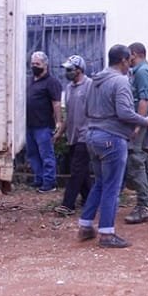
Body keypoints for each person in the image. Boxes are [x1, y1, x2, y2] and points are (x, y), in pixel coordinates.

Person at [77, 44, 148, 249]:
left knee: (100, 183)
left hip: (92, 136)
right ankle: (107, 234)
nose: (130, 65)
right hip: (112, 138)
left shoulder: (95, 80)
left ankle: (85, 226)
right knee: (112, 187)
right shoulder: (120, 81)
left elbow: (86, 108)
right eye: (129, 61)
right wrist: (145, 121)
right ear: (123, 60)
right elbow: (124, 113)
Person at [124, 42, 148, 224]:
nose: (126, 60)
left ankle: (143, 206)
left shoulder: (142, 72)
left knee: (137, 162)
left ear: (134, 54)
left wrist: (137, 125)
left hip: (145, 125)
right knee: (147, 163)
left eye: (128, 56)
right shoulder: (145, 71)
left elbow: (144, 100)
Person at [53, 55, 93, 216]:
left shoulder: (90, 86)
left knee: (76, 170)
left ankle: (67, 204)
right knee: (80, 170)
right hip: (73, 135)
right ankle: (90, 198)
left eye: (70, 69)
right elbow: (68, 115)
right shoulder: (69, 88)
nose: (67, 72)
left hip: (87, 134)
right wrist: (59, 133)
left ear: (79, 69)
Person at [26, 51, 63, 193]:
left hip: (44, 126)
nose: (34, 66)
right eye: (33, 64)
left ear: (45, 65)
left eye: (37, 64)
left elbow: (56, 104)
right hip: (30, 125)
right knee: (33, 154)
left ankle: (49, 183)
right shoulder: (30, 81)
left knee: (46, 155)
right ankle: (39, 179)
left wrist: (58, 122)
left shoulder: (51, 82)